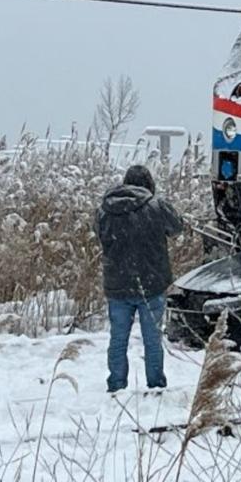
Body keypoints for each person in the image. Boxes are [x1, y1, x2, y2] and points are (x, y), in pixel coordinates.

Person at [95, 165, 184, 393]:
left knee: (118, 339)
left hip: (117, 284)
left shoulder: (105, 209)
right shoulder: (157, 206)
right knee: (152, 339)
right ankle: (155, 385)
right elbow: (177, 228)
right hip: (151, 284)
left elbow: (100, 235)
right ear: (149, 184)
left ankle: (116, 385)